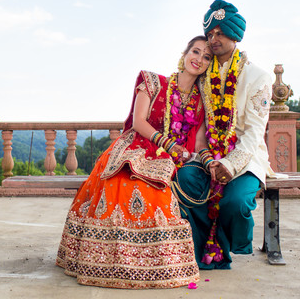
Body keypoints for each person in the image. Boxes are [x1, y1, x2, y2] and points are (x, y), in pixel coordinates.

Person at [56, 36, 212, 289]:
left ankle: (156, 265)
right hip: (135, 145)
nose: (199, 59)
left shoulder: (200, 102)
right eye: (195, 51)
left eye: (206, 57)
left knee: (158, 196)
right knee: (119, 185)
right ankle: (105, 262)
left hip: (167, 158)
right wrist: (168, 143)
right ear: (184, 54)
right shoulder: (153, 82)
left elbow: (200, 141)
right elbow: (139, 121)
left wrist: (205, 159)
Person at [173, 0, 274, 269]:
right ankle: (198, 253)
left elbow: (254, 133)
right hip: (207, 155)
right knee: (184, 180)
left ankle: (232, 244)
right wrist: (208, 159)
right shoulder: (203, 74)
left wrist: (229, 164)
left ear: (234, 34)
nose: (213, 39)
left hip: (245, 157)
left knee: (235, 202)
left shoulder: (259, 77)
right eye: (210, 34)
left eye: (219, 32)